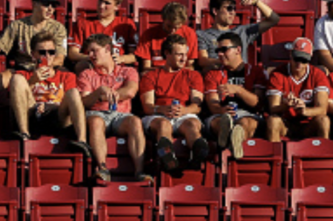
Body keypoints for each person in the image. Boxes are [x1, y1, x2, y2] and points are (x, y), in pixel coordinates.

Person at [79, 33, 150, 184]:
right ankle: (102, 168)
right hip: (96, 113)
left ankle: (139, 171)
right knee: (96, 122)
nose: (90, 55)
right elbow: (84, 102)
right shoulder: (87, 74)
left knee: (135, 121)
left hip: (120, 115)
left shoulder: (127, 71)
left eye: (94, 50)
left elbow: (130, 91)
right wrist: (99, 92)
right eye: (88, 52)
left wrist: (106, 95)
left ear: (107, 49)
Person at [7, 32, 90, 155]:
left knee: (73, 92)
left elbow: (72, 102)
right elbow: (14, 101)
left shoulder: (66, 76)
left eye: (51, 52)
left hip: (58, 116)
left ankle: (82, 141)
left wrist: (51, 106)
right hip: (31, 114)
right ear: (33, 54)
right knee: (17, 79)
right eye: (42, 52)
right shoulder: (24, 75)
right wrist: (32, 82)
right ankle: (24, 133)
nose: (47, 56)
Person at [139, 34, 207, 172]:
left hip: (183, 114)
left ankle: (198, 153)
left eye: (185, 54)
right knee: (163, 125)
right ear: (167, 53)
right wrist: (161, 109)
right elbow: (147, 107)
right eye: (179, 55)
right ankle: (168, 158)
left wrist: (185, 110)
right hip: (158, 114)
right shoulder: (151, 76)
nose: (184, 59)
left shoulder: (193, 75)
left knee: (192, 124)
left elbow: (197, 106)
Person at [0, 0, 68, 80]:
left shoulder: (58, 28)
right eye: (46, 5)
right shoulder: (17, 26)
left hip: (48, 68)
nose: (50, 9)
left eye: (53, 5)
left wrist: (42, 66)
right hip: (22, 69)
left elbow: (60, 59)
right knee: (0, 79)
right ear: (34, 4)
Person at [204, 31, 268, 159]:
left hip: (249, 114)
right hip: (221, 114)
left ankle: (231, 140)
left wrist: (239, 90)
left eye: (224, 50)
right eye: (218, 51)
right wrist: (221, 110)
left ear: (238, 50)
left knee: (245, 122)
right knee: (219, 122)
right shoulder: (213, 74)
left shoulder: (256, 71)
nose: (220, 54)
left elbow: (258, 103)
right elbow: (212, 103)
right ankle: (230, 137)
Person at [265, 37, 330, 142]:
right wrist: (286, 105)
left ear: (310, 59)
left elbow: (323, 109)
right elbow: (273, 108)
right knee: (273, 121)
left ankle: (324, 156)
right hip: (285, 122)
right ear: (290, 55)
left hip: (308, 123)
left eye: (304, 60)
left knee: (324, 120)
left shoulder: (318, 75)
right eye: (297, 58)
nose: (299, 64)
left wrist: (304, 111)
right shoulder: (278, 74)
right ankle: (275, 156)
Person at [67, 0, 138, 69]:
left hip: (118, 68)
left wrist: (122, 58)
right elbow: (72, 53)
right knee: (81, 66)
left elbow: (135, 55)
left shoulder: (126, 24)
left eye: (107, 3)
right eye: (100, 0)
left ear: (117, 7)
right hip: (91, 67)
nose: (101, 6)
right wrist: (91, 58)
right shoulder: (83, 23)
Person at [197, 0, 280, 67]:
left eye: (234, 9)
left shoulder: (243, 31)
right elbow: (203, 60)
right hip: (218, 78)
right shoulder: (202, 34)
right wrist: (228, 61)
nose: (233, 12)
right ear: (215, 11)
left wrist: (256, 2)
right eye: (229, 8)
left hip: (242, 79)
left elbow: (274, 19)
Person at [135, 1, 199, 71]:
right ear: (163, 19)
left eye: (176, 27)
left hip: (181, 74)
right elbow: (146, 68)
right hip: (157, 73)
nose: (172, 30)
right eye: (169, 26)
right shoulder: (149, 35)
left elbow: (190, 66)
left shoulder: (189, 34)